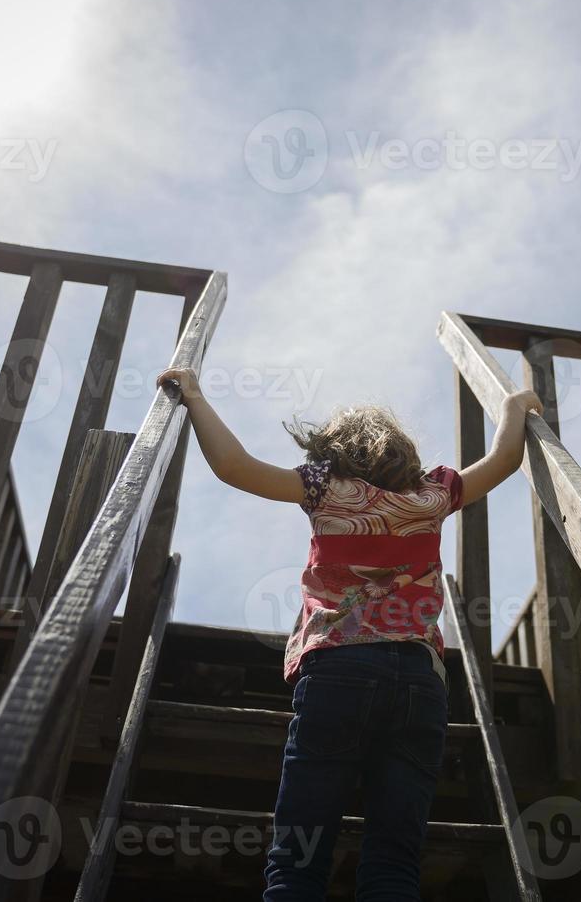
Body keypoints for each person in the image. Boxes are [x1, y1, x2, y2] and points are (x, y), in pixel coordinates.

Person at [155, 365, 541, 901]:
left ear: (334, 453)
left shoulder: (323, 489)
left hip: (339, 668)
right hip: (418, 682)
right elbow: (504, 459)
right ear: (403, 454)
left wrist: (194, 395)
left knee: (299, 859)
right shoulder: (433, 496)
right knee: (394, 862)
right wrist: (514, 409)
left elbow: (233, 466)